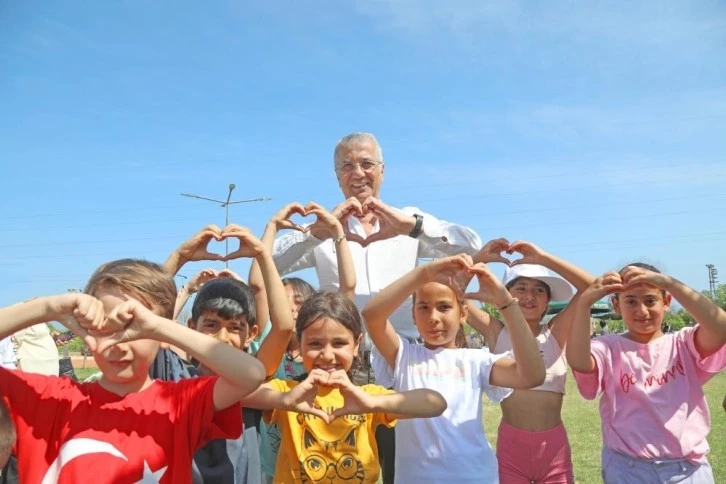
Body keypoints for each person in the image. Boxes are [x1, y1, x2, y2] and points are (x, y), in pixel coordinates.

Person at [271, 132, 482, 482]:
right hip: (336, 367)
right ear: (336, 176)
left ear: (383, 171)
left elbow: (471, 247)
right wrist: (317, 233)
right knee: (344, 466)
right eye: (346, 166)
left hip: (403, 362)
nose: (358, 173)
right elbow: (270, 265)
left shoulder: (407, 220)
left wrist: (413, 228)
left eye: (367, 164)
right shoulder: (325, 228)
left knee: (408, 466)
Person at [0, 258, 266, 482]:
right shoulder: (52, 399)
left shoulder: (180, 403)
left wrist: (159, 326)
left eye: (134, 331)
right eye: (107, 327)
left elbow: (251, 374)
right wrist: (48, 308)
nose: (119, 345)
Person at [361, 255, 546, 483]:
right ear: (413, 315)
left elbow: (533, 375)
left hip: (475, 476)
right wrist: (424, 272)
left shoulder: (476, 360)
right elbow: (372, 315)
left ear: (463, 314)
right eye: (423, 307)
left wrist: (506, 303)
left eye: (444, 307)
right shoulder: (404, 356)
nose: (433, 318)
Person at [241, 291, 447, 483]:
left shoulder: (365, 395)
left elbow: (436, 403)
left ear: (357, 345)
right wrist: (284, 401)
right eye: (315, 344)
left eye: (339, 343)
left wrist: (371, 403)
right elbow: (241, 395)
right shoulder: (289, 390)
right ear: (300, 344)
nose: (328, 355)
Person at [567, 263, 726, 484]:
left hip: (688, 469)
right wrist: (584, 304)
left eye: (650, 300)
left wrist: (670, 283)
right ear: (616, 305)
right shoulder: (609, 346)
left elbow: (721, 327)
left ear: (667, 302)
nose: (642, 311)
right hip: (627, 468)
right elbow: (579, 361)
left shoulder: (684, 343)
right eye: (630, 301)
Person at [465, 239, 592, 484]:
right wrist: (478, 257)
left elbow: (590, 287)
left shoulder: (555, 333)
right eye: (520, 288)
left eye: (539, 290)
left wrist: (544, 258)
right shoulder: (496, 332)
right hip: (511, 449)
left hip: (553, 449)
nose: (529, 296)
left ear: (548, 301)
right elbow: (452, 296)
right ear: (505, 294)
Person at [248, 202, 356, 483]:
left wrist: (338, 234)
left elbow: (348, 290)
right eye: (284, 303)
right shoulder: (270, 352)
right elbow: (258, 285)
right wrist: (271, 228)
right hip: (276, 470)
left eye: (299, 302)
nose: (292, 309)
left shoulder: (327, 355)